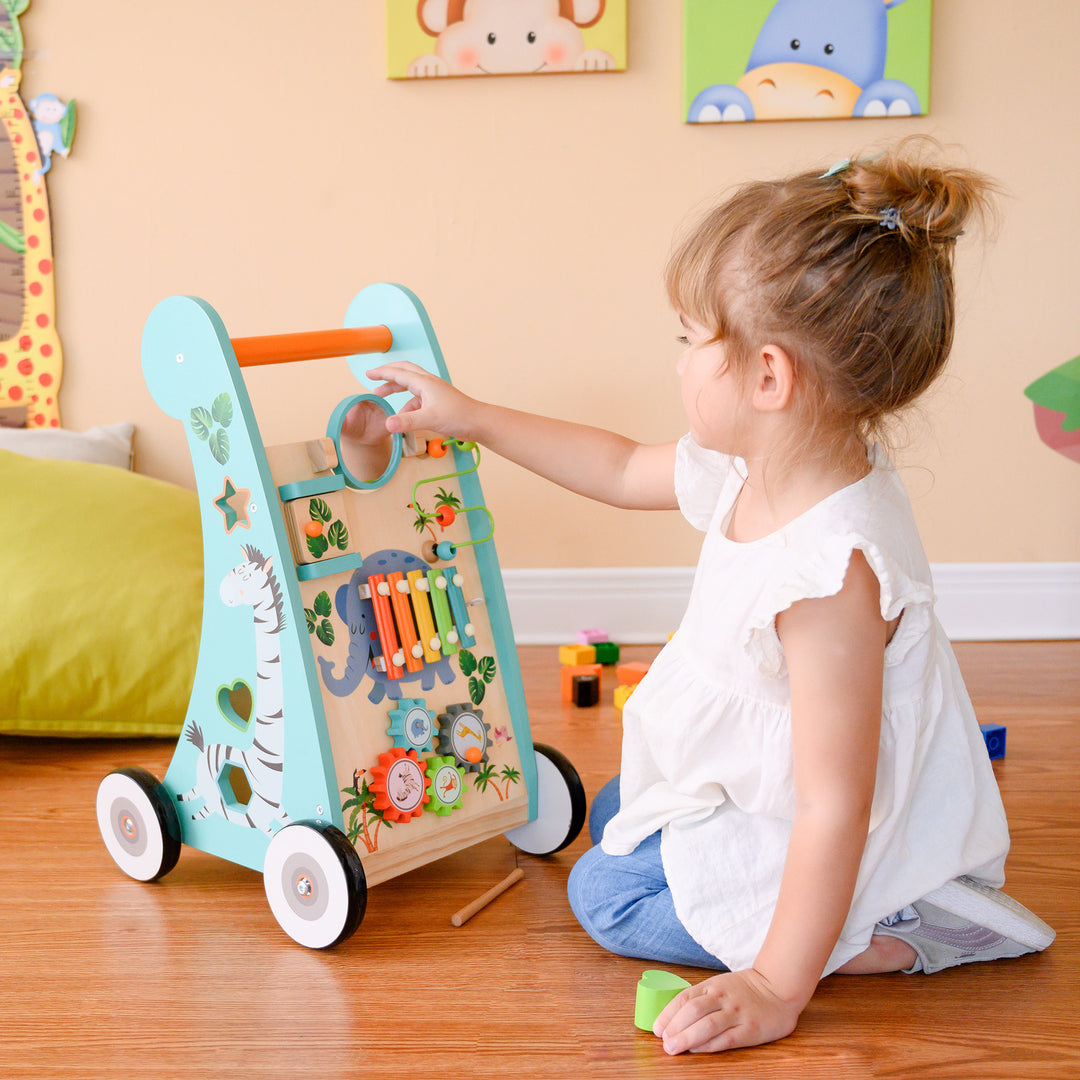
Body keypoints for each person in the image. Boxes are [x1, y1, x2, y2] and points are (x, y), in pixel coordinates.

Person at [360, 140, 1055, 1055]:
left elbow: (836, 807)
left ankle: (890, 929)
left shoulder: (830, 576)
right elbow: (613, 466)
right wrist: (471, 415)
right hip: (771, 780)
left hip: (835, 821)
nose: (679, 360)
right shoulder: (759, 460)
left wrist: (775, 982)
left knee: (604, 895)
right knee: (615, 813)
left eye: (691, 341)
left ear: (769, 377)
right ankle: (829, 909)